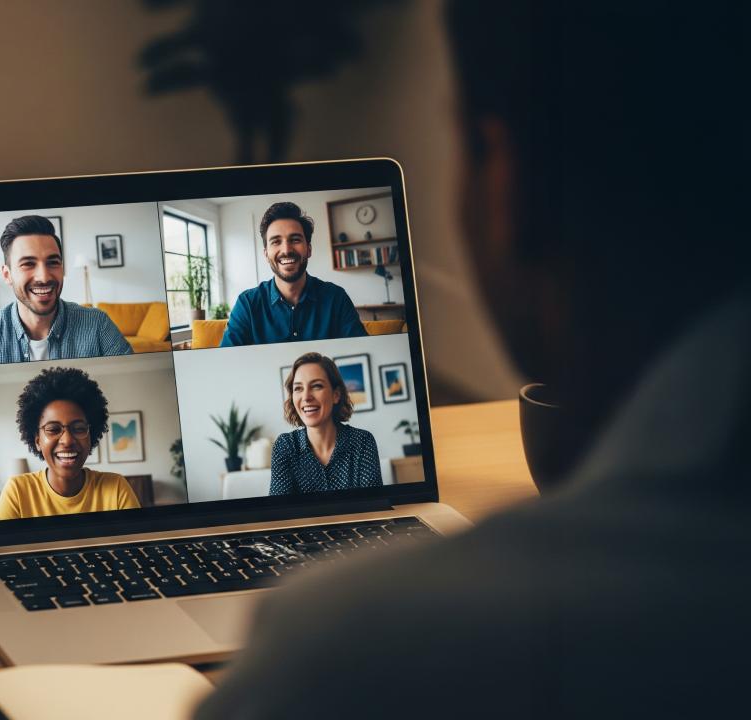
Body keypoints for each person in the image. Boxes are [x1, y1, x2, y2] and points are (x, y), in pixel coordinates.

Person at [195, 2, 749, 717]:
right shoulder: (249, 316)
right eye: (275, 244)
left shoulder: (356, 650)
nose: (286, 251)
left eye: (295, 240)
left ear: (505, 182)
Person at [0, 215, 132, 367]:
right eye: (28, 264)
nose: (43, 277)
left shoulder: (98, 324)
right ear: (7, 274)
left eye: (53, 262)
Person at [0, 367, 141, 520]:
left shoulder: (116, 488)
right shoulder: (17, 492)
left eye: (78, 428)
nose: (67, 440)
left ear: (91, 436)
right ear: (37, 440)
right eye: (53, 429)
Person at [220, 201, 367, 346]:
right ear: (266, 254)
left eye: (295, 239)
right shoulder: (247, 304)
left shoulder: (336, 298)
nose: (286, 250)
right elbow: (227, 362)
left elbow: (362, 353)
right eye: (276, 241)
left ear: (309, 249)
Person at [270, 352, 382, 494]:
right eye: (298, 388)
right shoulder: (285, 446)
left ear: (336, 395)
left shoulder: (362, 441)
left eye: (316, 386)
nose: (306, 397)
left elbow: (373, 505)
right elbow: (281, 511)